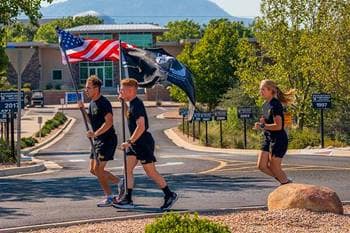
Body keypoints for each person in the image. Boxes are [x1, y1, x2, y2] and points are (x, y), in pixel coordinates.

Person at [114, 78, 178, 211]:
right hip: (135, 143)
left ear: (131, 90)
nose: (120, 91)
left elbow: (141, 126)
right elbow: (128, 115)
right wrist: (122, 103)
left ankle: (169, 195)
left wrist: (129, 141)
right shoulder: (131, 104)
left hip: (143, 143)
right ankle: (128, 198)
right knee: (127, 169)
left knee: (151, 172)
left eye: (122, 89)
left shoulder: (137, 104)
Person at [78, 75, 124, 207]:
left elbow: (109, 123)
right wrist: (82, 109)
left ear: (96, 88)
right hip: (97, 140)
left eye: (88, 88)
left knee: (98, 169)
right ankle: (120, 182)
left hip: (107, 140)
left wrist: (95, 134)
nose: (86, 90)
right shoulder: (92, 103)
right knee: (93, 170)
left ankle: (109, 197)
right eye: (85, 88)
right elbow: (91, 121)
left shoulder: (104, 103)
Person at [254, 79, 294, 185]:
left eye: (263, 89)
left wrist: (262, 125)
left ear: (271, 90)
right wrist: (261, 123)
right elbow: (266, 121)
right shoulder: (265, 105)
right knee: (261, 166)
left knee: (274, 167)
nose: (260, 92)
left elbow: (278, 126)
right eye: (260, 89)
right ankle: (284, 179)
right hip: (268, 137)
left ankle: (286, 183)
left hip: (278, 139)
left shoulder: (276, 105)